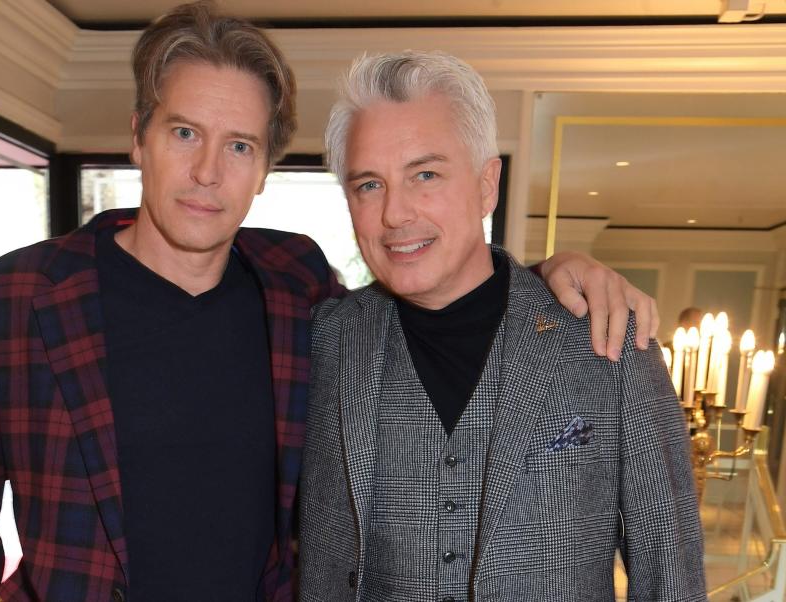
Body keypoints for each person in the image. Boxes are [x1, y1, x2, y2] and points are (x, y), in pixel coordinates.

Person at [0, 4, 658, 601]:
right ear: (139, 139)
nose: (208, 171)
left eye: (240, 146)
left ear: (266, 168)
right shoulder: (3, 306)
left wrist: (555, 274)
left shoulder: (298, 286)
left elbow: (441, 286)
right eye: (184, 133)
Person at [299, 51, 705, 601]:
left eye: (426, 174)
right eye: (369, 185)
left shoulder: (608, 338)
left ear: (487, 184)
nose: (395, 213)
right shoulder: (325, 337)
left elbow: (670, 580)